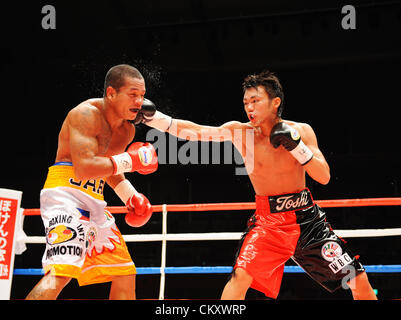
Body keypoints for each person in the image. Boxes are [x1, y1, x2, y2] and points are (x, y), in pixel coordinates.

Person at [134, 69, 377, 300]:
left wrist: (297, 147)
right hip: (268, 224)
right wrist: (155, 119)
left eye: (255, 100)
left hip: (308, 222)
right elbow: (194, 131)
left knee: (359, 280)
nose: (249, 108)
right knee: (240, 278)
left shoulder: (301, 131)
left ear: (275, 102)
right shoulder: (241, 133)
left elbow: (323, 176)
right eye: (246, 102)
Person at [26, 64, 157, 300]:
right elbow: (85, 168)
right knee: (61, 273)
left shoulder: (126, 131)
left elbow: (107, 167)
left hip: (95, 201)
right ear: (111, 93)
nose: (139, 102)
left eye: (142, 95)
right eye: (133, 94)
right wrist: (131, 160)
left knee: (124, 272)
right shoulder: (85, 114)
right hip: (65, 194)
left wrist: (130, 195)